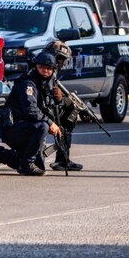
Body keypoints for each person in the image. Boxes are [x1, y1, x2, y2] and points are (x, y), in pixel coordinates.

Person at [0, 52, 62, 176]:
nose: (45, 70)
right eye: (42, 67)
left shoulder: (46, 85)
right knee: (42, 126)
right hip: (12, 127)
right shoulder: (28, 83)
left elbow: (52, 111)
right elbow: (31, 110)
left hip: (26, 128)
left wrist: (59, 100)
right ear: (36, 67)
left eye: (49, 68)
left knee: (39, 165)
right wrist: (50, 123)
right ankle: (27, 164)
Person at [43, 40, 83, 172]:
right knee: (70, 109)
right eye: (59, 58)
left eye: (63, 59)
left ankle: (62, 158)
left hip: (41, 109)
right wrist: (63, 100)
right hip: (36, 112)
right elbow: (44, 99)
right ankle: (62, 159)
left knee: (71, 109)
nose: (61, 62)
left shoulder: (50, 71)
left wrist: (64, 100)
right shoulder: (43, 70)